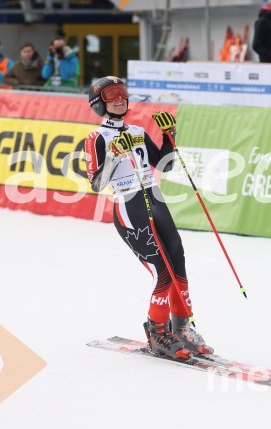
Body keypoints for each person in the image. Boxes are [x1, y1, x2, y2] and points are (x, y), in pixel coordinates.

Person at [84, 76, 211, 359]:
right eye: (111, 95)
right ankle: (158, 333)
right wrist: (116, 155)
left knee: (177, 260)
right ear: (99, 103)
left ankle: (182, 328)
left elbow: (163, 165)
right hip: (129, 204)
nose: (119, 98)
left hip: (154, 197)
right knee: (161, 271)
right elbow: (96, 183)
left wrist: (170, 135)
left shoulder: (139, 131)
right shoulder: (97, 138)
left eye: (122, 93)